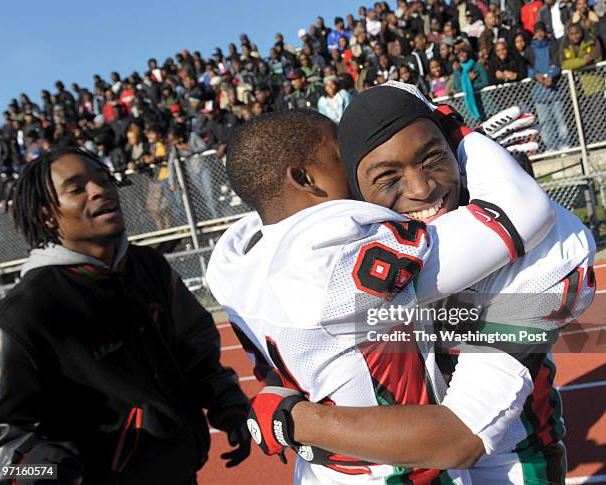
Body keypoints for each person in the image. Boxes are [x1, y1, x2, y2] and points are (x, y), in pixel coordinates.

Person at [237, 85, 594, 484]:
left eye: (435, 158)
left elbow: (466, 433)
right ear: (355, 191)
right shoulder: (355, 254)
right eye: (387, 176)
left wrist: (295, 421)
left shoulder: (540, 258)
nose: (422, 189)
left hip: (506, 462)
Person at [0, 147, 251, 484]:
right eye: (77, 188)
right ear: (46, 215)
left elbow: (195, 346)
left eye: (103, 180)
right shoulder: (24, 312)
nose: (100, 190)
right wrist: (41, 469)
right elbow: (2, 453)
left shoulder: (149, 267)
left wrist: (226, 401)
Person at [529, 21, 570, 151]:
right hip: (539, 93)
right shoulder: (530, 49)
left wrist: (550, 75)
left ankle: (564, 144)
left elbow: (557, 62)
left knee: (560, 120)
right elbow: (527, 67)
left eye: (542, 31)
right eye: (537, 31)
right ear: (534, 33)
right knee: (545, 123)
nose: (540, 34)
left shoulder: (552, 45)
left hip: (554, 89)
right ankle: (551, 147)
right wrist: (537, 76)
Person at [452, 45, 488, 119]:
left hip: (485, 103)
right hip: (467, 109)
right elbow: (458, 88)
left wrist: (471, 85)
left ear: (468, 53)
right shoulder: (457, 70)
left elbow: (486, 82)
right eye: (459, 53)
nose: (461, 55)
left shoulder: (478, 65)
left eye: (463, 52)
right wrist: (469, 80)